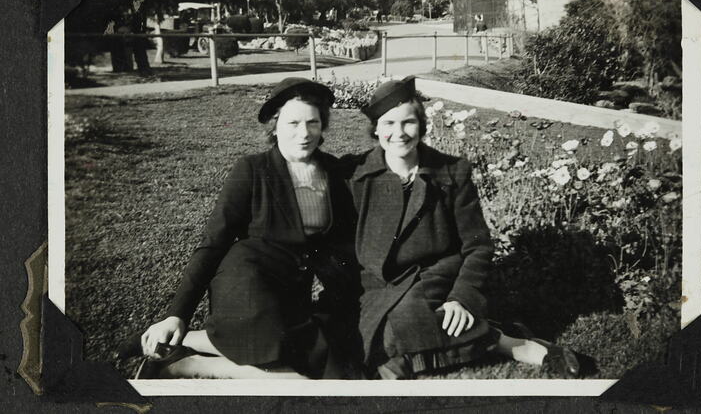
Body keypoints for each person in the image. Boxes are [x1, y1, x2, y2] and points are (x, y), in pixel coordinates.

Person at [120, 77, 361, 379]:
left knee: (321, 355)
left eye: (313, 123)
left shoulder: (332, 171)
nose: (304, 133)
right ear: (275, 126)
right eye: (292, 123)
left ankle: (181, 356)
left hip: (291, 288)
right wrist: (176, 314)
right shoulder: (251, 169)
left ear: (323, 125)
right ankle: (182, 361)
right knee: (293, 374)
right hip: (249, 280)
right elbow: (213, 243)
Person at [346, 76, 581, 379]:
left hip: (433, 277)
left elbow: (477, 246)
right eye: (388, 124)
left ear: (422, 124)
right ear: (375, 129)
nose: (399, 133)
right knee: (382, 335)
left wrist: (461, 298)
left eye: (408, 123)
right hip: (381, 284)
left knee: (399, 325)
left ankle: (522, 348)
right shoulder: (356, 176)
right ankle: (499, 338)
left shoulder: (452, 172)